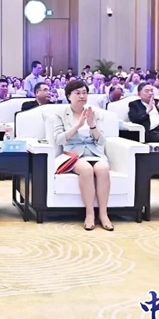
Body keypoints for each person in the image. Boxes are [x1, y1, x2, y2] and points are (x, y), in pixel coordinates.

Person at [50, 80, 113, 231]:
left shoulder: (95, 113)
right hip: (73, 154)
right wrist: (78, 126)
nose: (82, 96)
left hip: (94, 153)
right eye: (77, 93)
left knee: (103, 169)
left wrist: (92, 125)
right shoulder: (60, 114)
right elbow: (59, 139)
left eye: (84, 93)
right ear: (68, 96)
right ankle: (90, 213)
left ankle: (104, 214)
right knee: (86, 169)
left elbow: (101, 141)